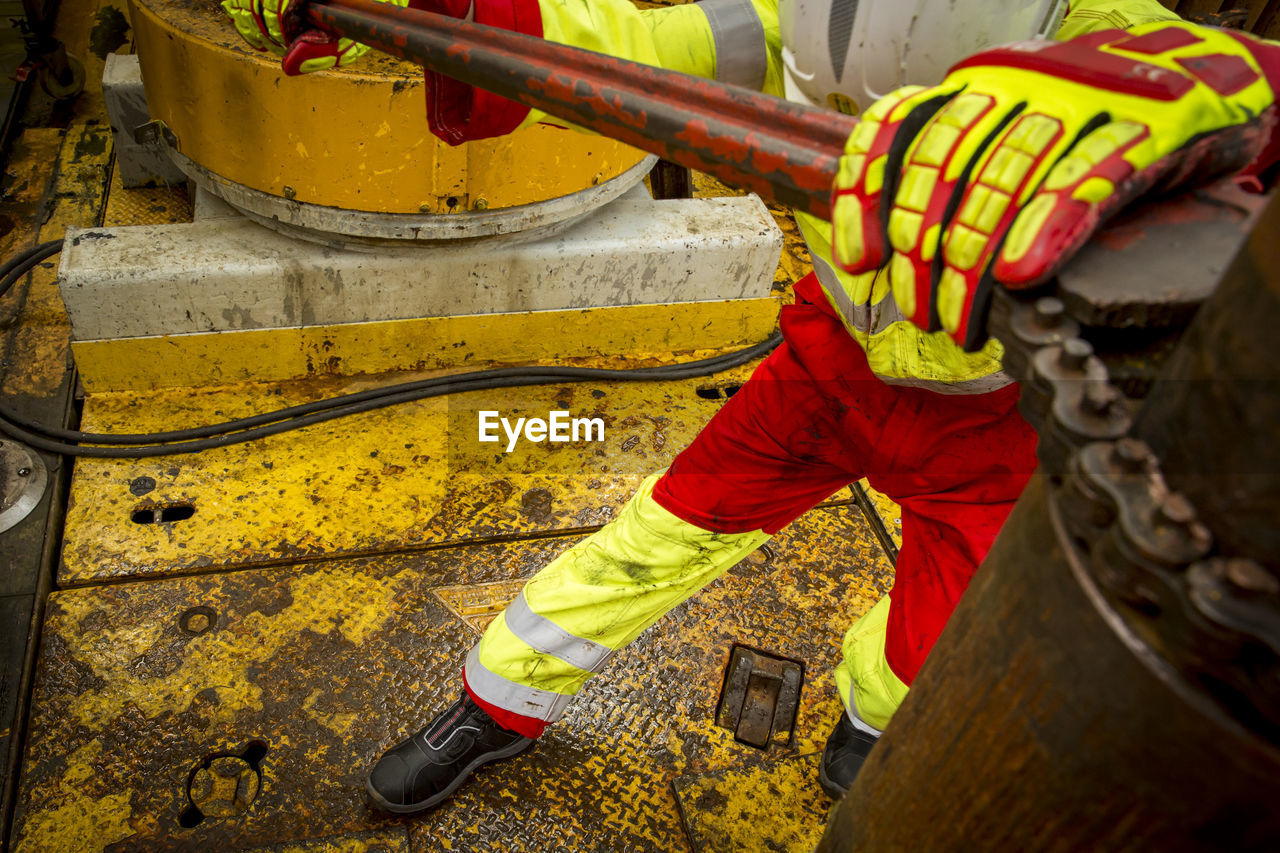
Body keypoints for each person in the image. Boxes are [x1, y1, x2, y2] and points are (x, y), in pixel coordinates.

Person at [223, 0, 1280, 815]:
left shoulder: (1119, 41)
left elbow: (1236, 87)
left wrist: (1226, 91)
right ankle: (494, 705)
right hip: (826, 371)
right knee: (656, 533)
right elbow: (609, 40)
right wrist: (444, 14)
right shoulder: (773, 20)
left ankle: (871, 727)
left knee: (935, 644)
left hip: (993, 423)